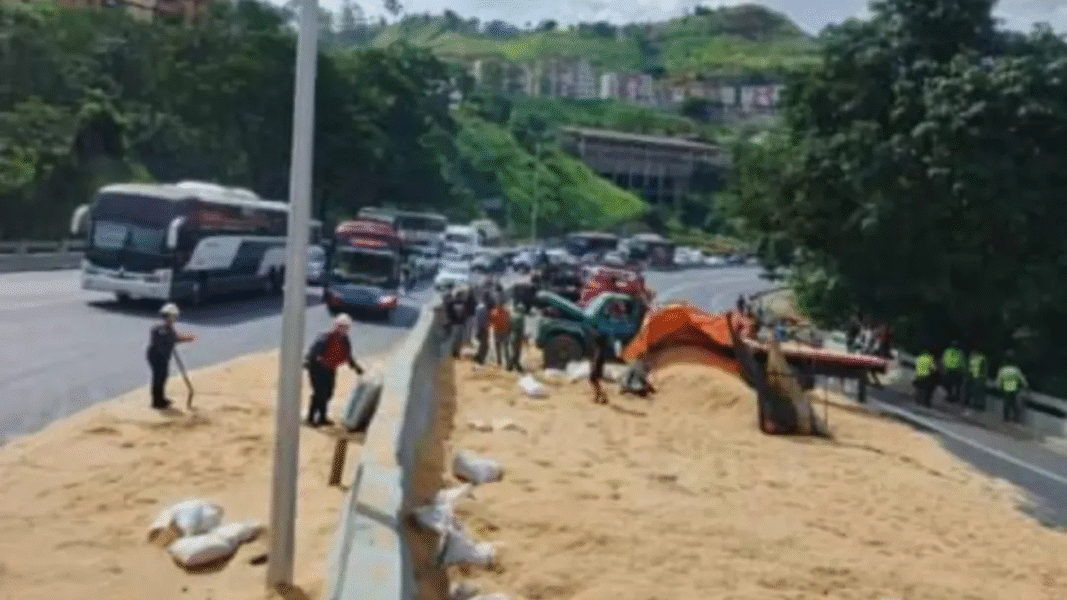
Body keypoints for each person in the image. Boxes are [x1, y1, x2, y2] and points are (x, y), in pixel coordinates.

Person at [304, 314, 365, 427]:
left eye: (346, 327)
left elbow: (348, 356)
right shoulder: (326, 337)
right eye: (341, 326)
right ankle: (311, 418)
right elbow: (314, 353)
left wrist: (357, 369)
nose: (343, 329)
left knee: (328, 393)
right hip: (317, 368)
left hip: (330, 368)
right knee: (319, 393)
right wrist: (317, 361)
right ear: (335, 326)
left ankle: (322, 418)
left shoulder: (345, 340)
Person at [147, 303, 196, 410]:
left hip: (163, 356)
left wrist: (185, 339)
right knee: (158, 377)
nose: (174, 319)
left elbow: (173, 338)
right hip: (157, 356)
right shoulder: (161, 328)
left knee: (163, 377)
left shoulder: (168, 328)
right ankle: (156, 401)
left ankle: (161, 398)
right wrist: (175, 340)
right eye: (173, 317)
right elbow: (165, 339)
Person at [996, 353, 1028, 423]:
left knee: (1006, 404)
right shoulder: (1016, 370)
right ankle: (1016, 418)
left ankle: (1006, 418)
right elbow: (1022, 380)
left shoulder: (1003, 370)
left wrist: (999, 388)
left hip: (1006, 389)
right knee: (1014, 404)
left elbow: (999, 380)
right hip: (1014, 389)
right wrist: (1025, 386)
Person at [589, 329, 610, 405]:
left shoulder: (599, 352)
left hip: (596, 370)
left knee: (595, 382)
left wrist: (594, 369)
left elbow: (596, 362)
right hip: (597, 369)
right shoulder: (601, 351)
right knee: (596, 383)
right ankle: (598, 397)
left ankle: (602, 397)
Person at [506, 301, 526, 372]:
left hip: (512, 336)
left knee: (514, 352)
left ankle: (516, 367)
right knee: (516, 353)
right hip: (517, 337)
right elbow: (521, 329)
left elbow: (509, 327)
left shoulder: (513, 316)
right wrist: (522, 338)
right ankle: (510, 366)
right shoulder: (521, 318)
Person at [490, 300, 511, 366]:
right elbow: (509, 321)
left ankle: (499, 362)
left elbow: (491, 322)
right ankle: (507, 362)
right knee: (506, 348)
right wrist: (509, 330)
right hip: (505, 332)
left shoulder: (494, 312)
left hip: (497, 332)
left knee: (498, 348)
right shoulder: (507, 311)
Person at [473, 294, 491, 364]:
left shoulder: (478, 307)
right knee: (485, 346)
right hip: (483, 328)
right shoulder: (484, 308)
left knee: (482, 344)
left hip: (478, 328)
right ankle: (480, 359)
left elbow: (477, 319)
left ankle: (478, 357)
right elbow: (484, 320)